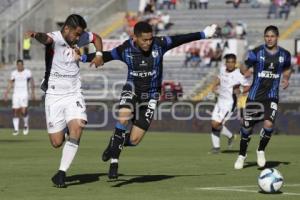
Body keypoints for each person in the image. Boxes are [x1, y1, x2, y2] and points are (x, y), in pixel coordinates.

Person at [82, 21, 217, 179]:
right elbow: (107, 55)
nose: (148, 43)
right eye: (144, 40)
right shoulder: (125, 49)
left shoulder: (160, 44)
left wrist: (203, 34)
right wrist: (83, 57)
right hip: (132, 89)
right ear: (135, 38)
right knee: (123, 118)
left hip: (152, 95)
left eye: (150, 39)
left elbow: (181, 39)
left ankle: (114, 143)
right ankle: (114, 163)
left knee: (134, 140)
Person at [25, 14, 103, 188]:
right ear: (66, 29)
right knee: (57, 142)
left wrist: (98, 54)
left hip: (74, 92)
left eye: (80, 35)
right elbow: (45, 38)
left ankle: (61, 173)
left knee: (78, 126)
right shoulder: (55, 38)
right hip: (54, 95)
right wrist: (36, 34)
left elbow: (96, 37)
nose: (78, 38)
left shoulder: (80, 36)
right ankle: (68, 127)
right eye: (76, 34)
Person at [234, 25, 292, 169]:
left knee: (269, 124)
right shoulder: (256, 52)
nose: (269, 39)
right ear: (264, 37)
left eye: (272, 36)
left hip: (271, 95)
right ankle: (242, 155)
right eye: (267, 36)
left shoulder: (285, 54)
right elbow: (244, 66)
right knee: (246, 128)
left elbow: (288, 68)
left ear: (277, 37)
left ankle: (260, 150)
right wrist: (244, 71)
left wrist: (286, 78)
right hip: (255, 96)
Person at [210, 54, 251, 154]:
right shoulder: (223, 69)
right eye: (228, 62)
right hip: (220, 101)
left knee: (216, 124)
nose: (230, 64)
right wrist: (214, 86)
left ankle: (230, 137)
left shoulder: (238, 74)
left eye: (232, 62)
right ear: (226, 63)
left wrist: (240, 91)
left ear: (235, 62)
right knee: (214, 124)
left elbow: (248, 85)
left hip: (229, 103)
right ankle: (217, 147)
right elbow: (219, 78)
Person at [4, 59, 35, 135]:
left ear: (23, 65)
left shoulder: (27, 72)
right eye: (18, 65)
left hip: (24, 93)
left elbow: (31, 82)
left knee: (24, 111)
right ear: (17, 65)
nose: (19, 66)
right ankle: (16, 129)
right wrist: (6, 93)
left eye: (21, 65)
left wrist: (33, 93)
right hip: (16, 94)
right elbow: (10, 83)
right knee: (15, 111)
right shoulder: (14, 73)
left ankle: (25, 125)